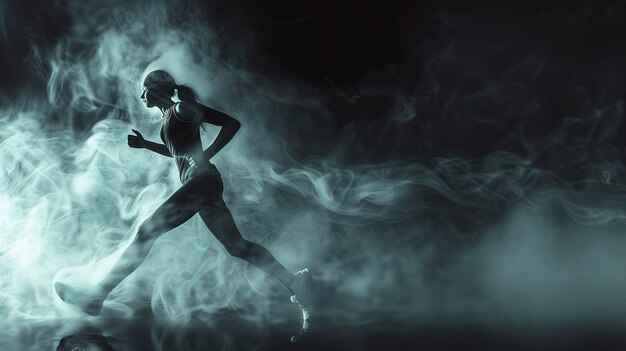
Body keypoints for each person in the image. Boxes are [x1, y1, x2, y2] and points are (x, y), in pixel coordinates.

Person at [55, 70, 313, 324]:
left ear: (158, 89)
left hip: (202, 181)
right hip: (203, 184)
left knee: (147, 231)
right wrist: (147, 145)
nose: (142, 94)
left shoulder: (181, 109)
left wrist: (208, 154)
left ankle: (97, 296)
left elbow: (231, 123)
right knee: (236, 246)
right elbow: (178, 154)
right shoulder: (170, 117)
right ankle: (294, 281)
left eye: (146, 88)